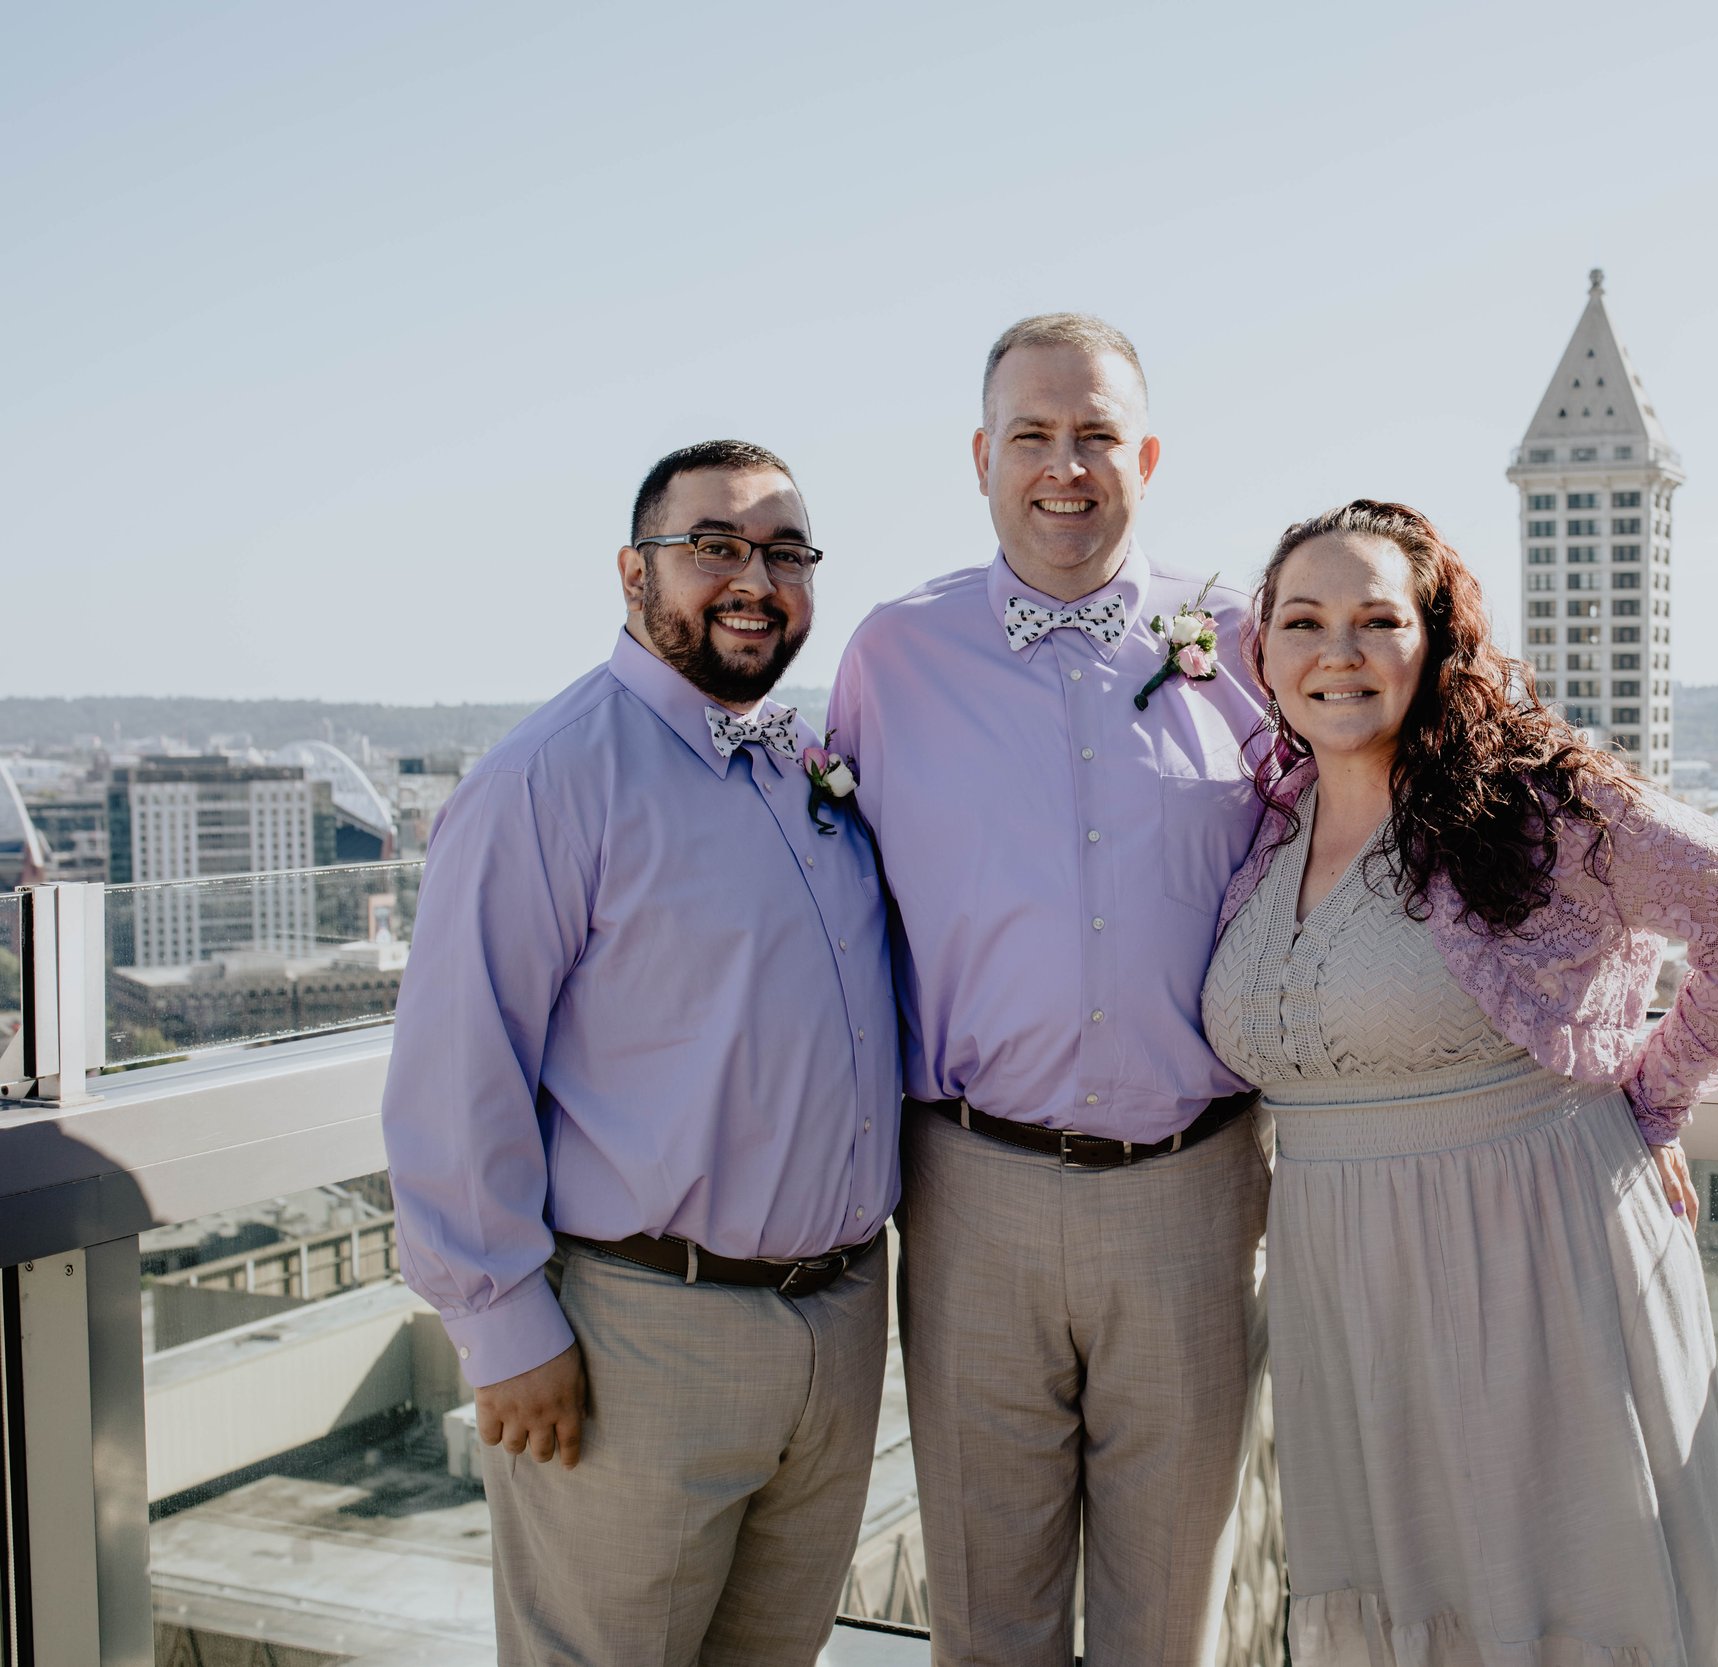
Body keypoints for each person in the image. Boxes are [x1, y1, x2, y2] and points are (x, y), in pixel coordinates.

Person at [1201, 500, 1718, 1667]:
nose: (1336, 651)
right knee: (1404, 1598)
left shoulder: (1531, 802)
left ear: (1433, 642)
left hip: (1531, 1257)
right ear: (1262, 653)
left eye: (1376, 618)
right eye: (1302, 620)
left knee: (1548, 1594)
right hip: (1344, 1278)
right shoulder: (1267, 830)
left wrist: (1650, 1097)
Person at [381, 440, 901, 1667]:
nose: (751, 577)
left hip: (837, 1323)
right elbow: (460, 1065)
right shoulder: (546, 781)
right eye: (712, 544)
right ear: (633, 573)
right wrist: (504, 1329)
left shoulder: (803, 760)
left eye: (784, 550)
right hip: (639, 1335)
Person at [828, 314, 1269, 1665]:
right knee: (988, 1616)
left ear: (1144, 454)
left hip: (1198, 1196)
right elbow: (812, 899)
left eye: (1094, 436)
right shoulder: (889, 659)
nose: (1063, 467)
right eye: (1032, 435)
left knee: (1168, 1623)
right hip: (973, 1195)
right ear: (982, 457)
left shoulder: (1253, 646)